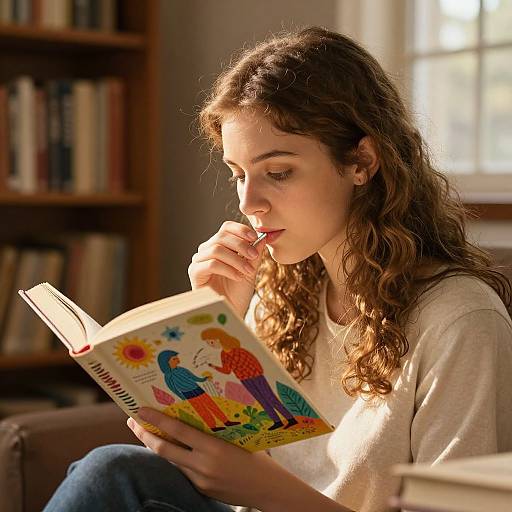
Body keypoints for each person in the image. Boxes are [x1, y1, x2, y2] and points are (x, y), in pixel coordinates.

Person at [43, 26, 512, 512]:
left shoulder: (461, 320)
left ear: (361, 161)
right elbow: (220, 460)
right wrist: (212, 319)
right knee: (113, 472)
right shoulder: (280, 291)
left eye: (278, 172)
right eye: (238, 174)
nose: (250, 203)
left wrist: (264, 488)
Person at [201, 327, 298, 430]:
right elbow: (227, 370)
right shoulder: (224, 354)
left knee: (270, 397)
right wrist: (214, 367)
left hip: (256, 376)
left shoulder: (239, 350)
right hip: (244, 380)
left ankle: (290, 419)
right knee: (261, 400)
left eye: (211, 342)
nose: (211, 345)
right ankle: (277, 421)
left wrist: (258, 373)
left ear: (219, 338)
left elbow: (254, 361)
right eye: (208, 343)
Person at [157, 349, 241, 432]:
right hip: (188, 394)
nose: (178, 360)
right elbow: (173, 389)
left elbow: (193, 377)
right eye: (174, 359)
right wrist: (182, 397)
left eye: (176, 357)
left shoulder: (181, 369)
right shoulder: (168, 376)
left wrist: (203, 379)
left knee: (212, 405)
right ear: (166, 362)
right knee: (201, 410)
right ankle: (213, 426)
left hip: (197, 389)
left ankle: (226, 421)